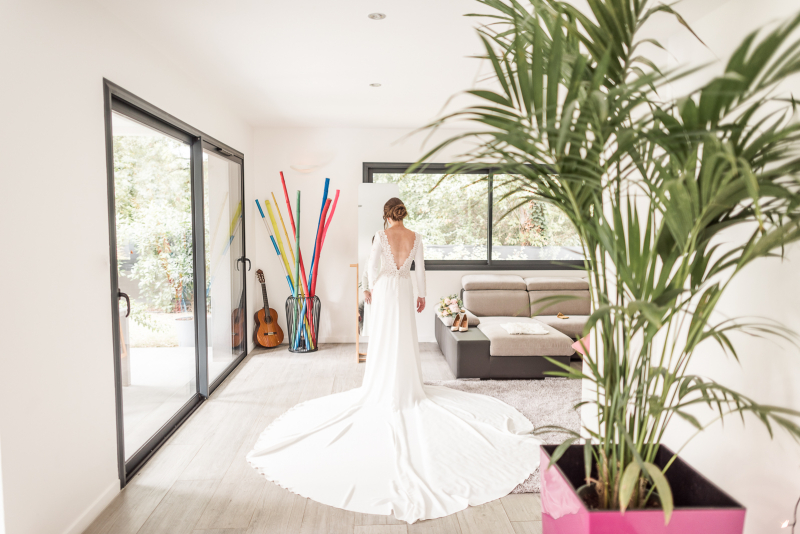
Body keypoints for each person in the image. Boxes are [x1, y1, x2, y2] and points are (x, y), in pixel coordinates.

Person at [247, 198, 541, 523]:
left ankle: (382, 383)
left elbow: (372, 267)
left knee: (385, 338)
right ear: (404, 214)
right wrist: (421, 295)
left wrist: (368, 290)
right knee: (403, 338)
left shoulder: (380, 235)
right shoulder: (416, 237)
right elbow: (420, 270)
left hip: (387, 289)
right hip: (404, 289)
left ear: (387, 215)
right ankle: (406, 386)